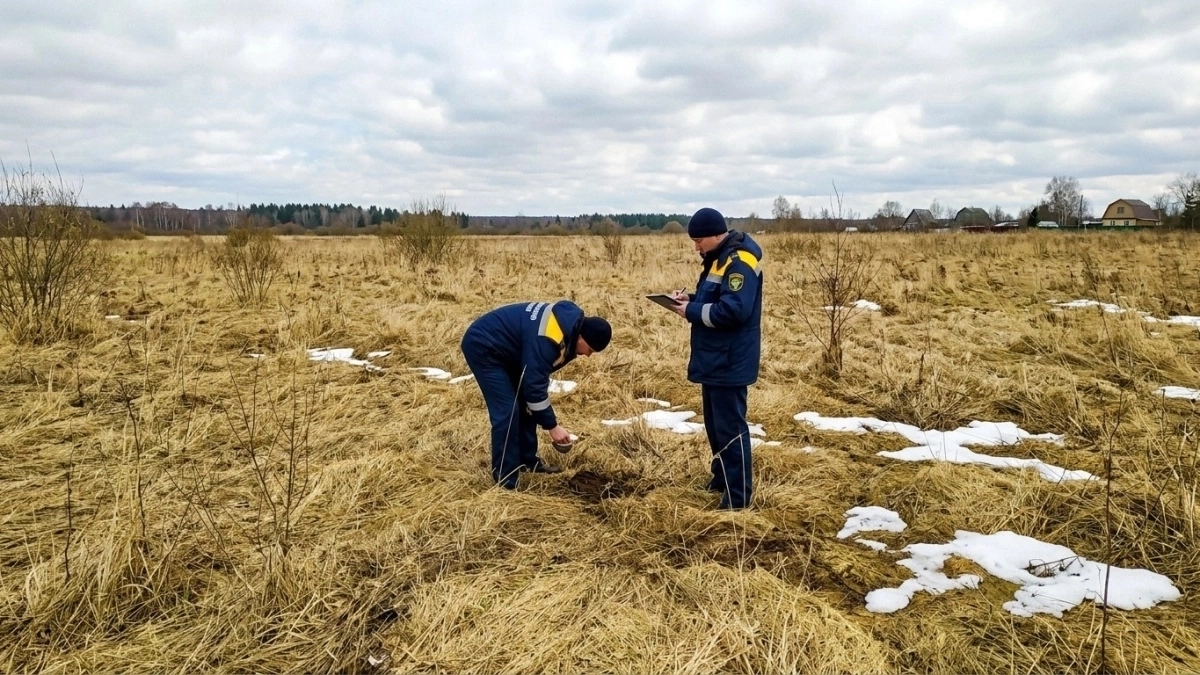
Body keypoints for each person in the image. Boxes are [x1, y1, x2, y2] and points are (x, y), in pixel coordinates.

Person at [668, 207, 763, 510]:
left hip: (729, 360)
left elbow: (735, 310)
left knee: (731, 428)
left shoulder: (740, 262)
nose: (696, 247)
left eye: (699, 241)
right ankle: (721, 478)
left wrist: (691, 312)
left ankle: (738, 498)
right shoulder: (718, 260)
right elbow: (715, 299)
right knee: (715, 425)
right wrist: (690, 300)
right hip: (714, 358)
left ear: (716, 234)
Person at [460, 300, 612, 489]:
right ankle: (505, 480)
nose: (588, 355)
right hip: (484, 347)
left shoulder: (567, 326)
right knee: (508, 411)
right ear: (582, 338)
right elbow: (534, 387)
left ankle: (527, 462)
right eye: (590, 350)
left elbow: (533, 385)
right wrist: (552, 427)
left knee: (526, 404)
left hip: (511, 351)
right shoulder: (549, 338)